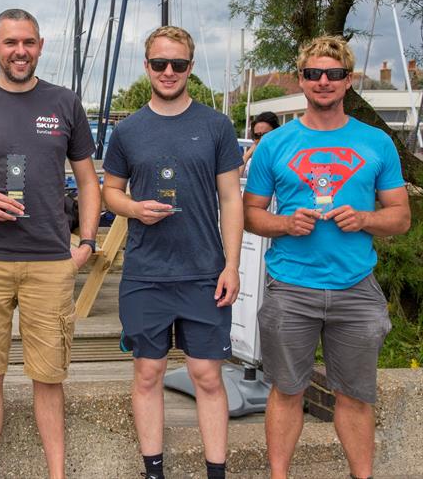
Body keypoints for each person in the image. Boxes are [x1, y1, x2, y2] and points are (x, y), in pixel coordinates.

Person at [0, 8, 101, 479]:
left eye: (28, 42)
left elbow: (88, 182)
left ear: (40, 45)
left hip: (50, 261)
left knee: (49, 378)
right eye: (10, 43)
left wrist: (85, 244)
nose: (20, 51)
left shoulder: (64, 103)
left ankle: (57, 473)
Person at [243, 35, 410, 479]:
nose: (323, 81)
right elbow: (251, 216)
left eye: (333, 74)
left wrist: (365, 219)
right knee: (286, 390)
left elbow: (401, 218)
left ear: (347, 81)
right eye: (314, 73)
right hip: (290, 287)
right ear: (301, 79)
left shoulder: (376, 143)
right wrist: (285, 224)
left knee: (356, 396)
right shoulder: (275, 144)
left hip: (355, 289)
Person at [102, 26, 244, 479]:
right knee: (148, 373)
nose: (168, 72)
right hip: (146, 273)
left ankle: (216, 472)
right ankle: (154, 472)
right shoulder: (127, 131)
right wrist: (134, 210)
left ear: (190, 67)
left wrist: (233, 265)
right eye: (159, 63)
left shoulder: (216, 125)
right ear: (147, 67)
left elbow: (231, 199)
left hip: (204, 272)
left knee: (207, 376)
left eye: (177, 64)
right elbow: (110, 193)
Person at [240, 111, 280, 177]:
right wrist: (247, 155)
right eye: (257, 136)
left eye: (266, 135)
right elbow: (235, 178)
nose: (261, 140)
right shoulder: (251, 162)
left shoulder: (283, 158)